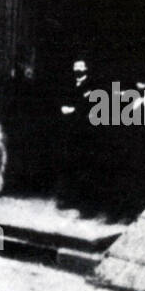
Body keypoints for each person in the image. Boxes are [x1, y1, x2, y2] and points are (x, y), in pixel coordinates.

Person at [51, 58, 96, 212]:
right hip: (67, 132)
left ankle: (79, 201)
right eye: (75, 67)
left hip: (81, 132)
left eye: (80, 67)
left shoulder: (90, 87)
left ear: (86, 69)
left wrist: (74, 111)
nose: (77, 70)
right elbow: (61, 101)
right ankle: (65, 198)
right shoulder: (69, 85)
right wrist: (63, 109)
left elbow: (88, 107)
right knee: (66, 164)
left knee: (80, 166)